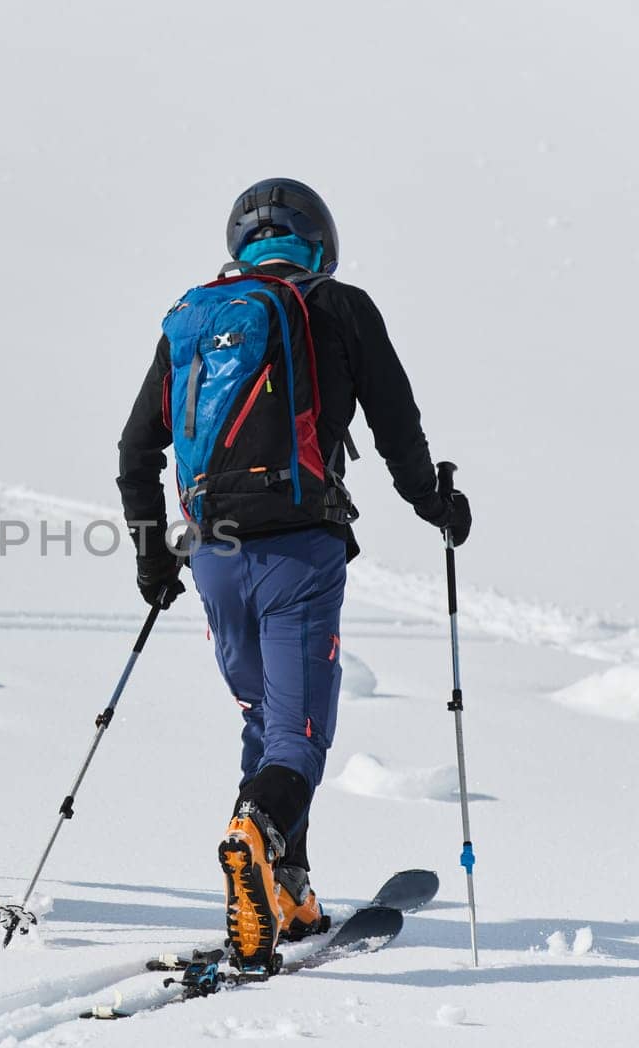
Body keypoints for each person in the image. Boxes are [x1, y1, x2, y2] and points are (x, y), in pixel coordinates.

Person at [116, 178, 471, 968]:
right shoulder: (339, 305)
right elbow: (395, 423)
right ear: (321, 242)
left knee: (263, 714)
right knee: (301, 734)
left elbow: (134, 452)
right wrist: (435, 502)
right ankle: (253, 830)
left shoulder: (193, 317)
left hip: (215, 554)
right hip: (299, 553)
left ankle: (290, 887)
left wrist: (151, 555)